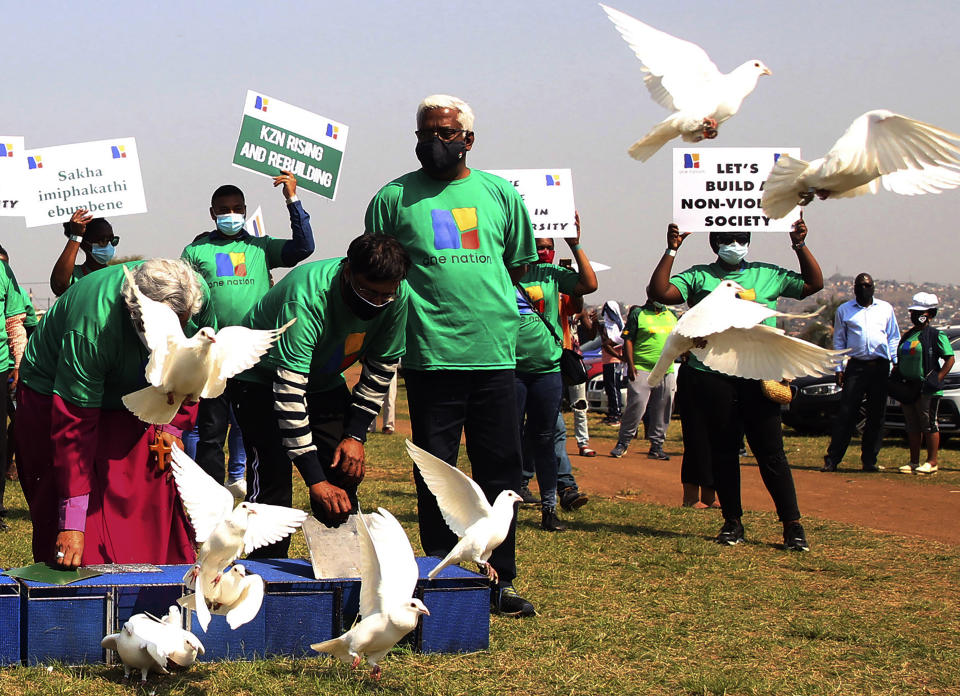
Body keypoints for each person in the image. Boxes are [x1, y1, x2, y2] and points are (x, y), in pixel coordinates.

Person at [365, 94, 537, 617]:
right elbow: (377, 270)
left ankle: (497, 581)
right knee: (436, 475)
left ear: (467, 139)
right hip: (430, 355)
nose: (432, 143)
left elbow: (521, 269)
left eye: (443, 133)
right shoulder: (392, 198)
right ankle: (438, 578)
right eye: (423, 133)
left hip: (494, 356)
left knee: (500, 471)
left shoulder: (501, 194)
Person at [16, 259, 215, 567]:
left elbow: (199, 365)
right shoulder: (92, 326)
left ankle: (153, 578)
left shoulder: (196, 294)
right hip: (56, 393)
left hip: (140, 394)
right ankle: (77, 591)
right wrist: (71, 521)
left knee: (150, 482)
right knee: (64, 494)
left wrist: (174, 426)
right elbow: (74, 427)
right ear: (135, 313)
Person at [231, 235, 409, 558]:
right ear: (347, 271)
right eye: (368, 291)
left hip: (323, 380)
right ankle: (266, 580)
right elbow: (288, 392)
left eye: (385, 296)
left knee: (343, 470)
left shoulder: (398, 296)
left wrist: (355, 435)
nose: (377, 303)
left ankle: (341, 571)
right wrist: (314, 480)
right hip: (260, 379)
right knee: (274, 485)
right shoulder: (308, 295)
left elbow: (381, 368)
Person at [649, 220, 821, 552]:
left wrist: (799, 244)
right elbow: (660, 292)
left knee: (771, 453)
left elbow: (813, 284)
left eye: (741, 238)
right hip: (713, 378)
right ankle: (732, 522)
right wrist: (672, 248)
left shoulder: (767, 273)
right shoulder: (700, 276)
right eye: (726, 239)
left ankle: (793, 526)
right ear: (714, 244)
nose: (734, 243)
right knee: (724, 452)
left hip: (757, 375)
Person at [181, 171, 315, 491]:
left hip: (255, 356)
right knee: (211, 435)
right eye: (224, 210)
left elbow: (304, 247)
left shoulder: (261, 247)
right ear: (213, 213)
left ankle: (250, 490)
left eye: (237, 208)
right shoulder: (195, 252)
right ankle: (211, 499)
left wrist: (292, 199)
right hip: (213, 359)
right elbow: (184, 300)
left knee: (257, 433)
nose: (231, 215)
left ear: (245, 210)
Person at [515, 226, 597, 531]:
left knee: (545, 439)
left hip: (547, 371)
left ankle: (550, 508)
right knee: (509, 440)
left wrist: (575, 244)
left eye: (548, 247)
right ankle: (504, 506)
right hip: (510, 370)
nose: (542, 252)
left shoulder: (551, 274)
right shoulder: (503, 271)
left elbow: (589, 284)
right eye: (537, 246)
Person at [822, 273, 900, 473]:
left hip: (880, 366)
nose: (864, 289)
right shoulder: (844, 310)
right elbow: (839, 340)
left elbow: (893, 337)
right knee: (846, 413)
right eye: (860, 286)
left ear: (873, 287)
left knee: (877, 415)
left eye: (868, 285)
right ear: (854, 289)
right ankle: (833, 459)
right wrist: (839, 368)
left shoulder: (885, 309)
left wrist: (894, 364)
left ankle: (869, 461)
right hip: (856, 366)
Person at [610, 294, 677, 460]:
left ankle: (657, 446)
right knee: (637, 405)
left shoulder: (671, 315)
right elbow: (628, 340)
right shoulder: (638, 313)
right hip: (642, 368)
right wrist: (631, 365)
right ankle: (623, 442)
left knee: (663, 407)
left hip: (665, 369)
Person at [894, 293, 954, 475]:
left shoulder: (936, 335)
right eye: (913, 311)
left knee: (929, 423)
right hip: (908, 387)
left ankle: (932, 461)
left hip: (926, 388)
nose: (915, 315)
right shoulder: (909, 335)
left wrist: (937, 378)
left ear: (929, 313)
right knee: (912, 425)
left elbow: (949, 359)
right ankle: (914, 461)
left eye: (919, 312)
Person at [0, 249, 24, 532]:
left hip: (1, 369)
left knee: (2, 442)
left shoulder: (5, 274)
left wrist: (19, 364)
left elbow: (15, 324)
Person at [50, 210, 119, 295]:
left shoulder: (118, 275)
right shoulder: (76, 275)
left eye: (112, 240)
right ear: (84, 244)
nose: (109, 245)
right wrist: (76, 235)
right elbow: (59, 285)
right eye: (103, 240)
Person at [599, 300, 625, 425]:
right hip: (606, 360)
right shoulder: (606, 326)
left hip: (614, 361)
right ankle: (611, 413)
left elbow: (616, 342)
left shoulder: (618, 327)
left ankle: (616, 415)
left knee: (614, 388)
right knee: (609, 388)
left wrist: (609, 345)